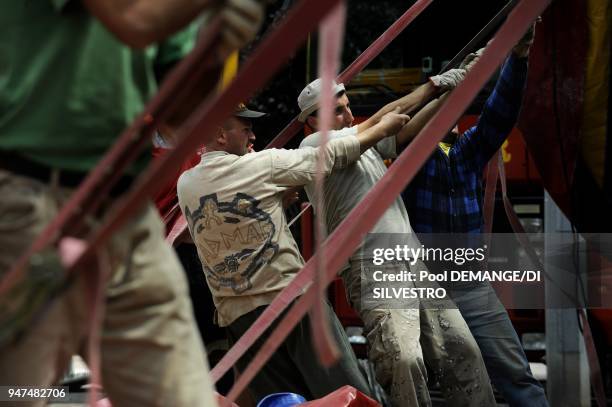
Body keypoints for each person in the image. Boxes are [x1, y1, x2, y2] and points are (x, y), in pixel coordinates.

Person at [0, 0, 264, 406]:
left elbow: (178, 113)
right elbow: (134, 22)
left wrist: (215, 46)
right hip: (27, 203)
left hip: (125, 211)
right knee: (19, 393)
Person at [177, 104, 410, 401]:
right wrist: (382, 130)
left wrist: (274, 203)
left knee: (283, 400)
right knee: (345, 395)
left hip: (239, 319)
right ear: (221, 136)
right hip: (290, 303)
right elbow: (328, 157)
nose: (253, 135)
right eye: (246, 129)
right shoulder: (261, 164)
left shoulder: (186, 184)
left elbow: (226, 222)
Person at [297, 71, 496, 405]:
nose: (347, 116)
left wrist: (454, 91)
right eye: (337, 111)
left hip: (411, 260)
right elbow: (382, 119)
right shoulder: (314, 146)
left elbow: (414, 127)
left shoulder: (366, 144)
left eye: (348, 107)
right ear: (312, 121)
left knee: (463, 351)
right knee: (403, 360)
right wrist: (433, 85)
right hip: (373, 268)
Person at [400, 25, 549, 407]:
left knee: (518, 377)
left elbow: (500, 113)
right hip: (427, 288)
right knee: (444, 386)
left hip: (471, 285)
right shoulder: (409, 160)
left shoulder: (467, 149)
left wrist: (517, 58)